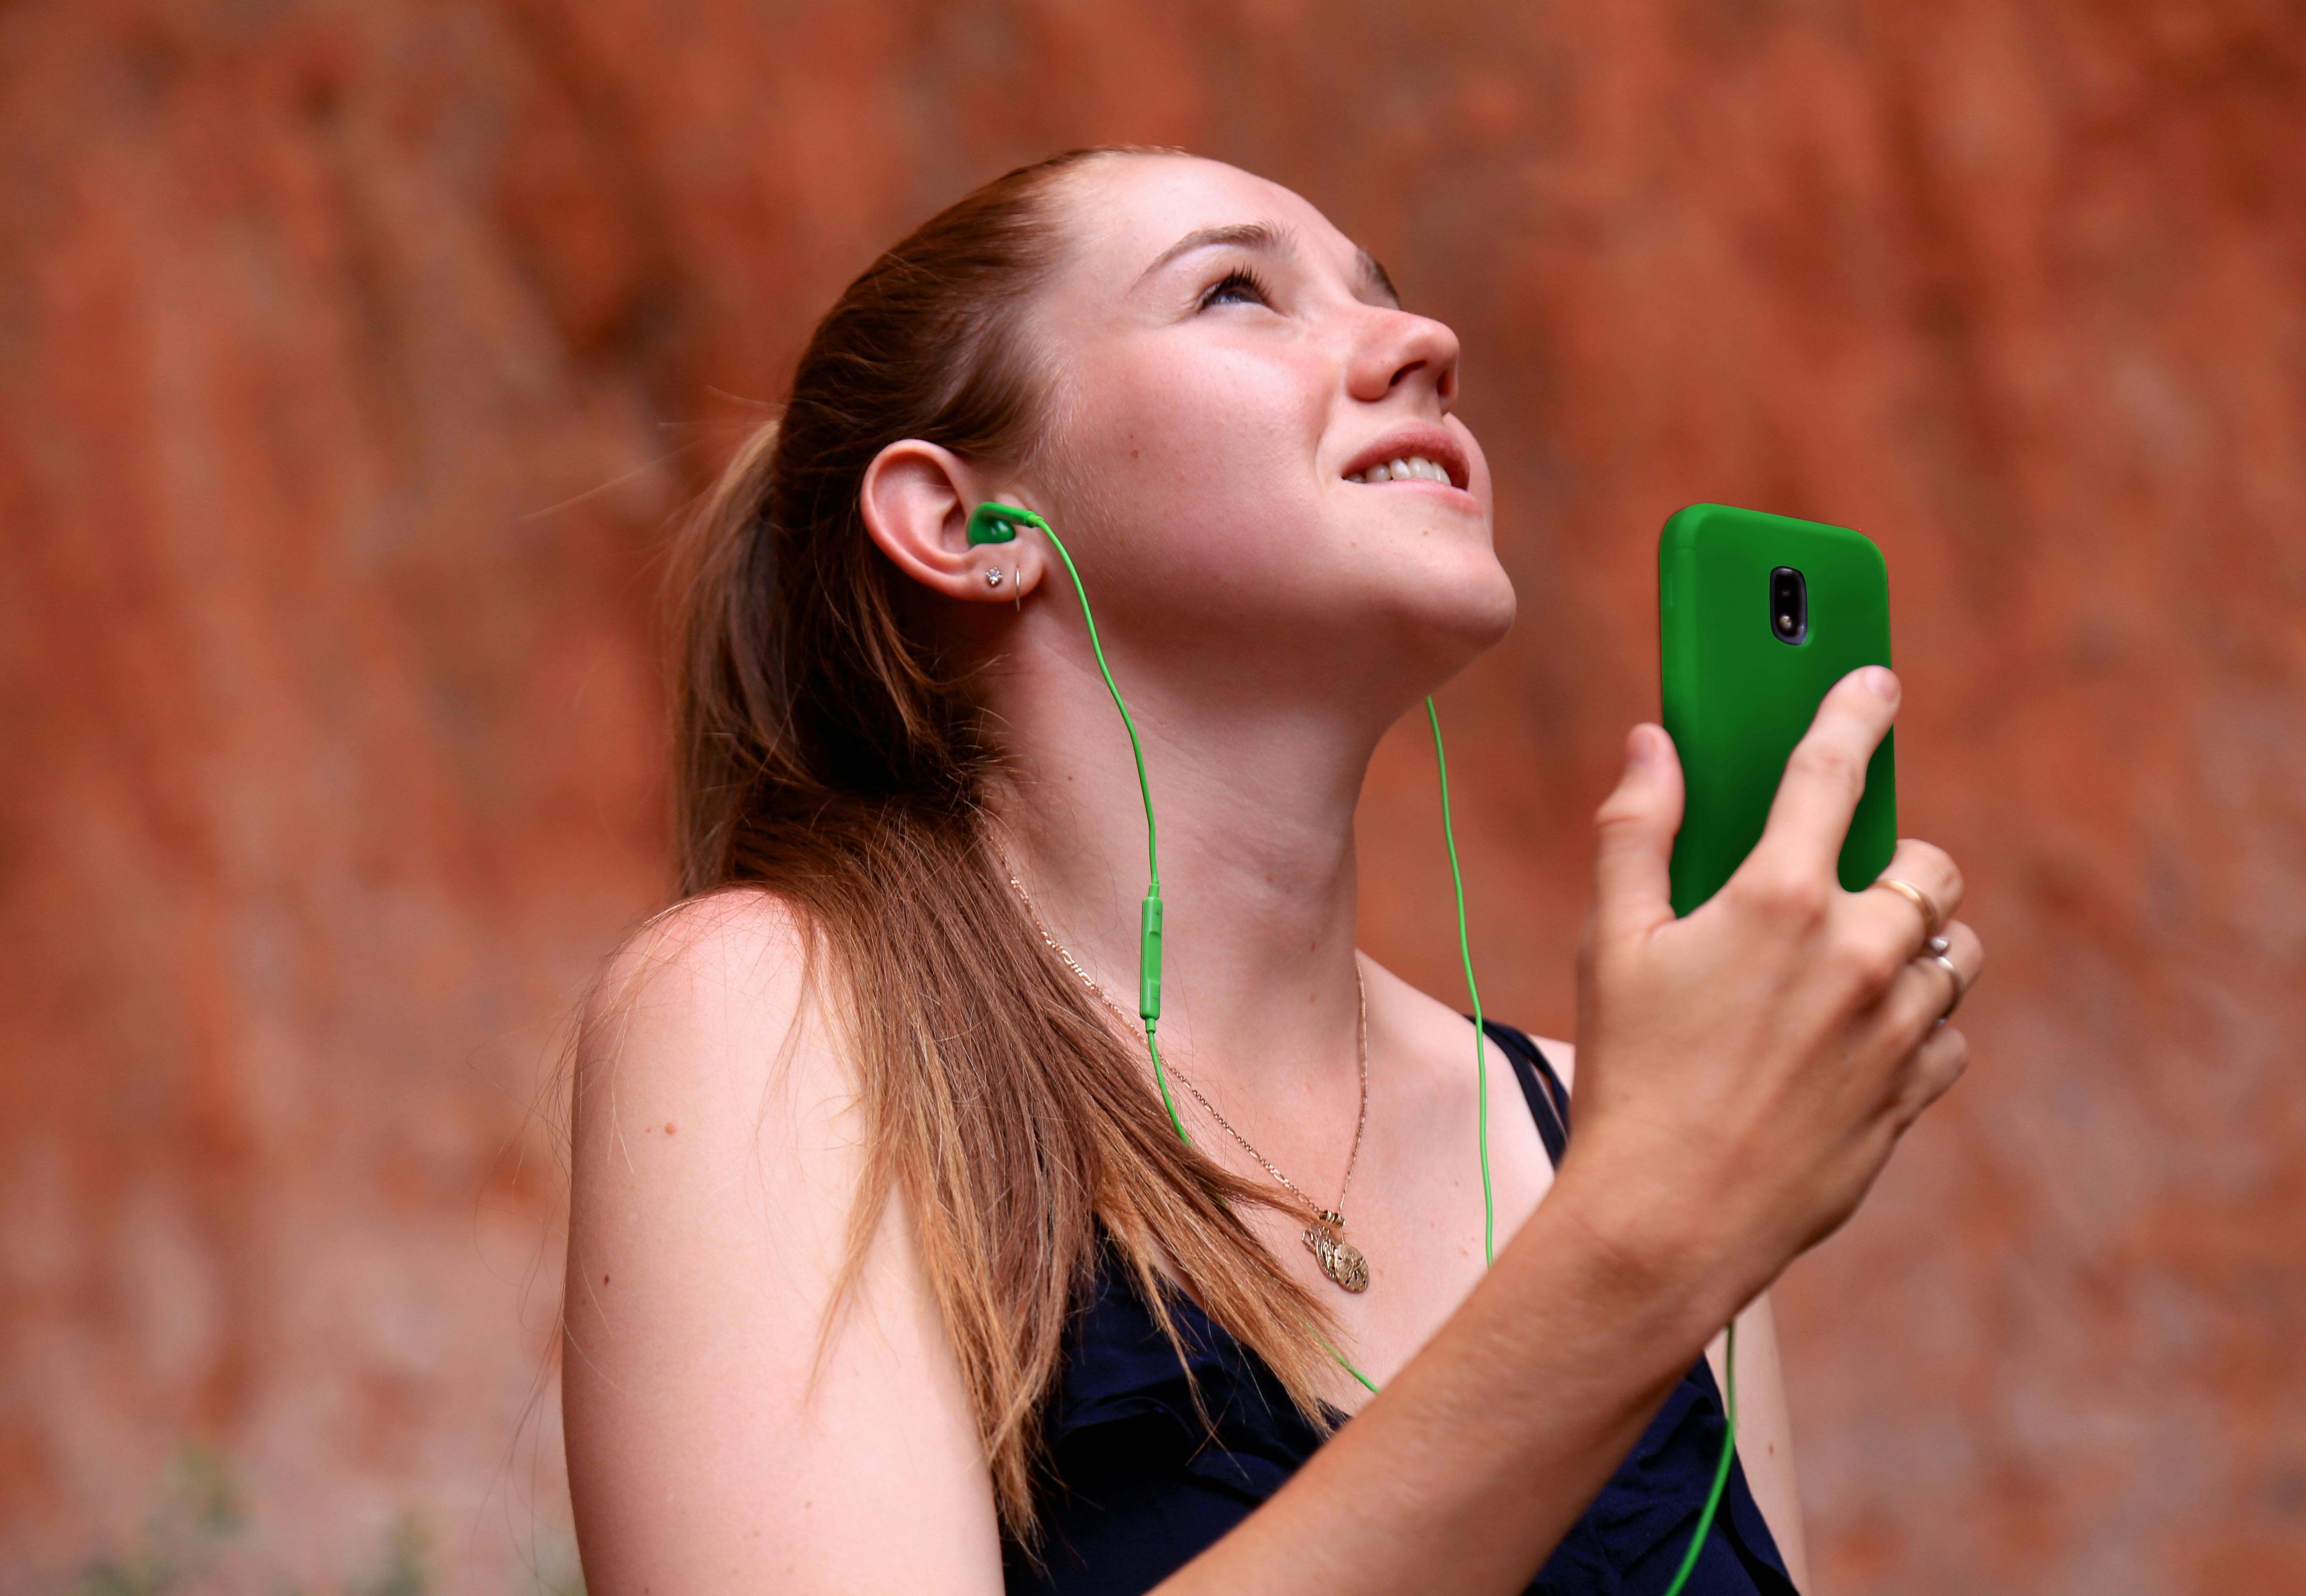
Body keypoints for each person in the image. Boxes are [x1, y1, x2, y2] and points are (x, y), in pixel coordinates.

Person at [559, 147, 1980, 1596]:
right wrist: (1647, 1245)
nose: (1426, 346)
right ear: (963, 524)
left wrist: (1667, 1202)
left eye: (1391, 295)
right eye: (1238, 292)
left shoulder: (1610, 1124)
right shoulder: (776, 1014)